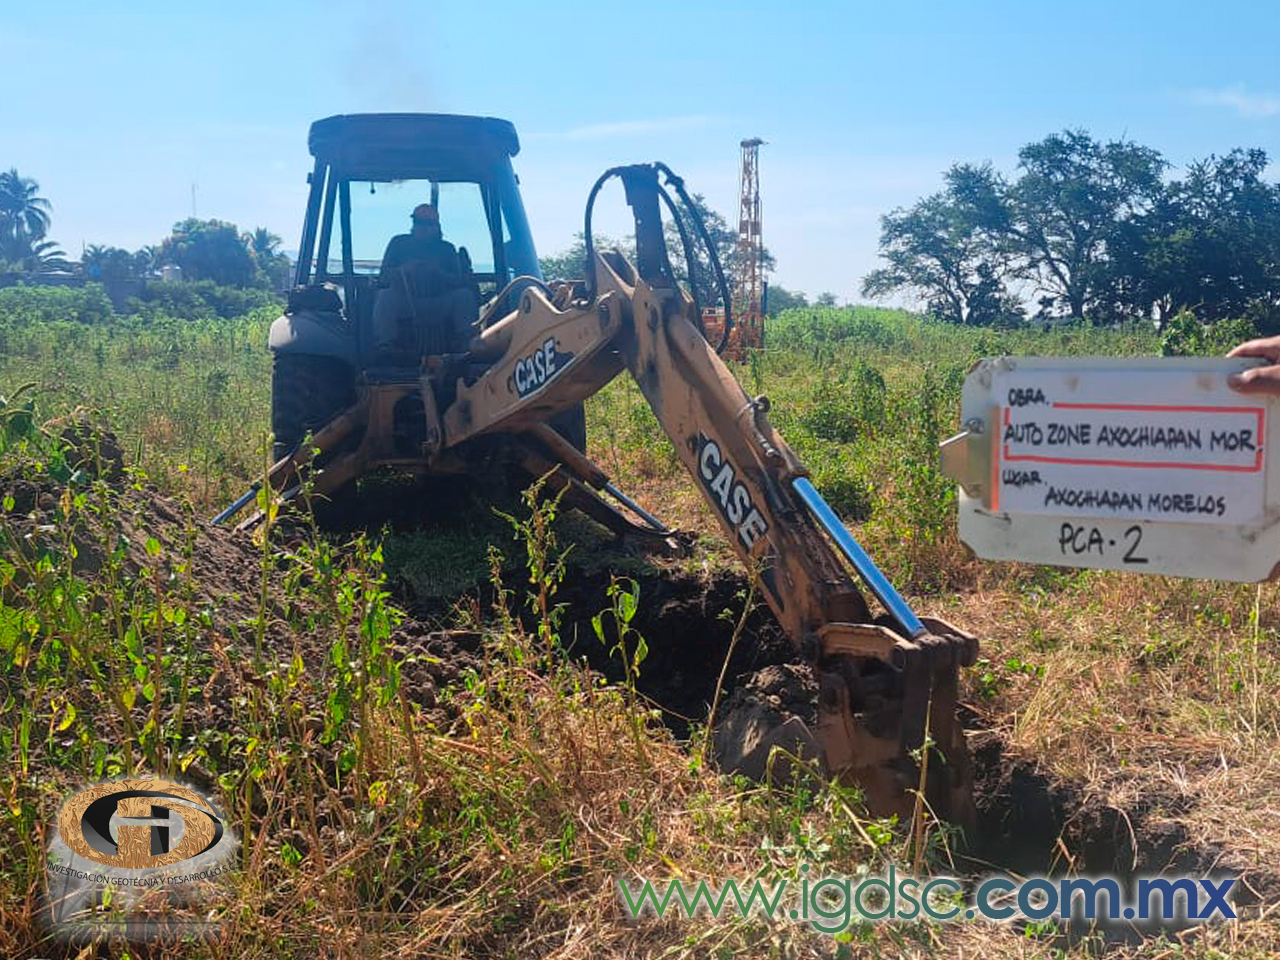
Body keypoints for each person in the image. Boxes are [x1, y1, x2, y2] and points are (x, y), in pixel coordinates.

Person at [373, 203, 477, 355]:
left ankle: (466, 345)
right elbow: (383, 278)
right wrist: (404, 270)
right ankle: (385, 347)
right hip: (406, 302)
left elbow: (459, 282)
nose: (422, 227)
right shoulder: (398, 243)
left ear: (437, 226)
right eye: (418, 223)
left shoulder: (447, 248)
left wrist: (438, 272)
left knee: (464, 296)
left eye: (428, 224)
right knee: (385, 297)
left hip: (440, 302)